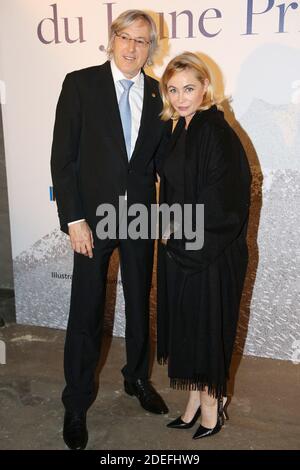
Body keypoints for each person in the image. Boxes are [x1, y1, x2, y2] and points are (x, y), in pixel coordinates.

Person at [51, 10, 171, 450]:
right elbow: (62, 159)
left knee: (139, 302)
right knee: (86, 311)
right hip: (91, 219)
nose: (132, 47)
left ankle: (136, 378)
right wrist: (73, 218)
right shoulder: (80, 83)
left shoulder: (159, 94)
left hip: (139, 216)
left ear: (150, 48)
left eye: (142, 41)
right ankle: (76, 402)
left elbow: (158, 162)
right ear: (112, 38)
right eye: (125, 37)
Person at [157, 52, 251, 439]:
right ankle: (194, 400)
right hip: (183, 246)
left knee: (207, 326)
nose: (181, 97)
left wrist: (181, 233)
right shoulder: (182, 128)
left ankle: (213, 404)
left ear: (206, 88)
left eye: (189, 88)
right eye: (174, 89)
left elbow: (226, 201)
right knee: (189, 325)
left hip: (211, 251)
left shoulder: (216, 131)